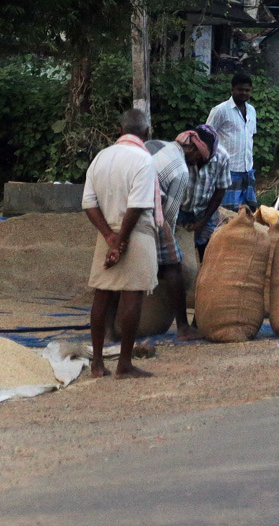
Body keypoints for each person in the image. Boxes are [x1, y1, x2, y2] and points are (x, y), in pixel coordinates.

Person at [82, 108, 160, 379]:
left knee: (102, 294)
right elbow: (137, 205)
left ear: (120, 130)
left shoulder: (100, 158)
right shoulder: (144, 160)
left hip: (108, 233)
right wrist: (121, 241)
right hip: (135, 233)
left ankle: (97, 364)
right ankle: (124, 364)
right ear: (146, 133)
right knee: (132, 295)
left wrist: (109, 237)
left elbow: (89, 204)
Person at [150, 127, 218, 341]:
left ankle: (108, 330)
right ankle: (183, 327)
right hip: (146, 212)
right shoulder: (180, 170)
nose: (197, 164)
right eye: (199, 158)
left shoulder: (161, 146)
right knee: (173, 266)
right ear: (195, 150)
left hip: (121, 207)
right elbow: (168, 217)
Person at [175, 124, 231, 264]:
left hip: (205, 211)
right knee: (178, 254)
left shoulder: (222, 157)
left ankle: (203, 279)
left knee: (206, 252)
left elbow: (220, 191)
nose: (191, 159)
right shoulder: (182, 153)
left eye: (197, 156)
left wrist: (204, 220)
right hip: (180, 210)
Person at [207, 72, 258, 212]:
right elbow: (207, 137)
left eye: (247, 90)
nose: (244, 93)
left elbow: (250, 136)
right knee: (226, 213)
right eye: (240, 89)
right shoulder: (220, 110)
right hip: (228, 170)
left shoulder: (252, 111)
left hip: (247, 171)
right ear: (232, 90)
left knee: (246, 213)